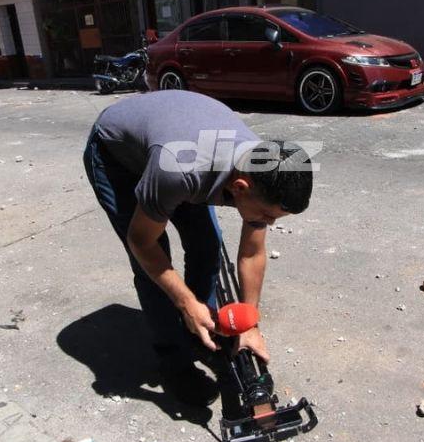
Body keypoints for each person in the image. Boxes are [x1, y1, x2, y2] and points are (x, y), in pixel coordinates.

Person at [82, 91, 313, 407]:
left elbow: (251, 252)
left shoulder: (262, 167)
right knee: (153, 265)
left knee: (206, 243)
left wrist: (249, 325)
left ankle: (200, 333)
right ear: (239, 188)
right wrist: (185, 300)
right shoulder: (180, 173)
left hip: (179, 147)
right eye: (267, 215)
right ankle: (174, 362)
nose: (269, 224)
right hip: (117, 156)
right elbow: (142, 242)